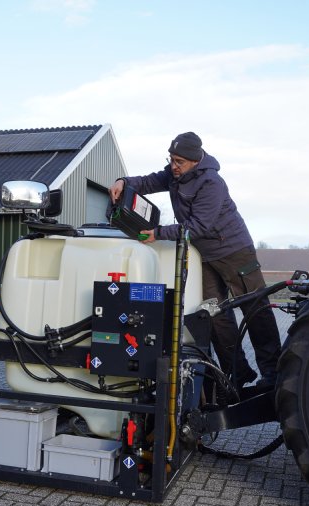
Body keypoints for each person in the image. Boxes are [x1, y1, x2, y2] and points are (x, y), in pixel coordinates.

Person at [109, 132, 281, 388]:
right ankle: (237, 372)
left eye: (179, 161)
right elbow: (147, 182)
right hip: (205, 257)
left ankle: (274, 373)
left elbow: (198, 226)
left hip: (235, 253)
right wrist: (123, 181)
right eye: (171, 159)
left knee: (255, 309)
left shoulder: (212, 183)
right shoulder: (173, 173)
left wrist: (159, 234)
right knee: (214, 313)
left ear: (195, 160)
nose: (173, 166)